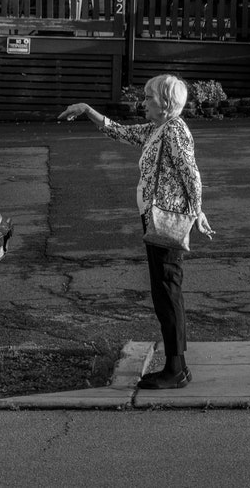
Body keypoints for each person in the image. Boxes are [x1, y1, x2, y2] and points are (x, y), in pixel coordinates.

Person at [57, 74, 212, 390]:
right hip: (155, 219)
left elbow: (191, 173)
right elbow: (119, 131)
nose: (144, 103)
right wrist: (88, 110)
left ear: (166, 103)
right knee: (162, 292)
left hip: (168, 219)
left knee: (168, 292)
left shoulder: (175, 130)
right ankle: (176, 366)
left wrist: (197, 212)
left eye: (149, 98)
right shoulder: (158, 129)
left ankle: (176, 370)